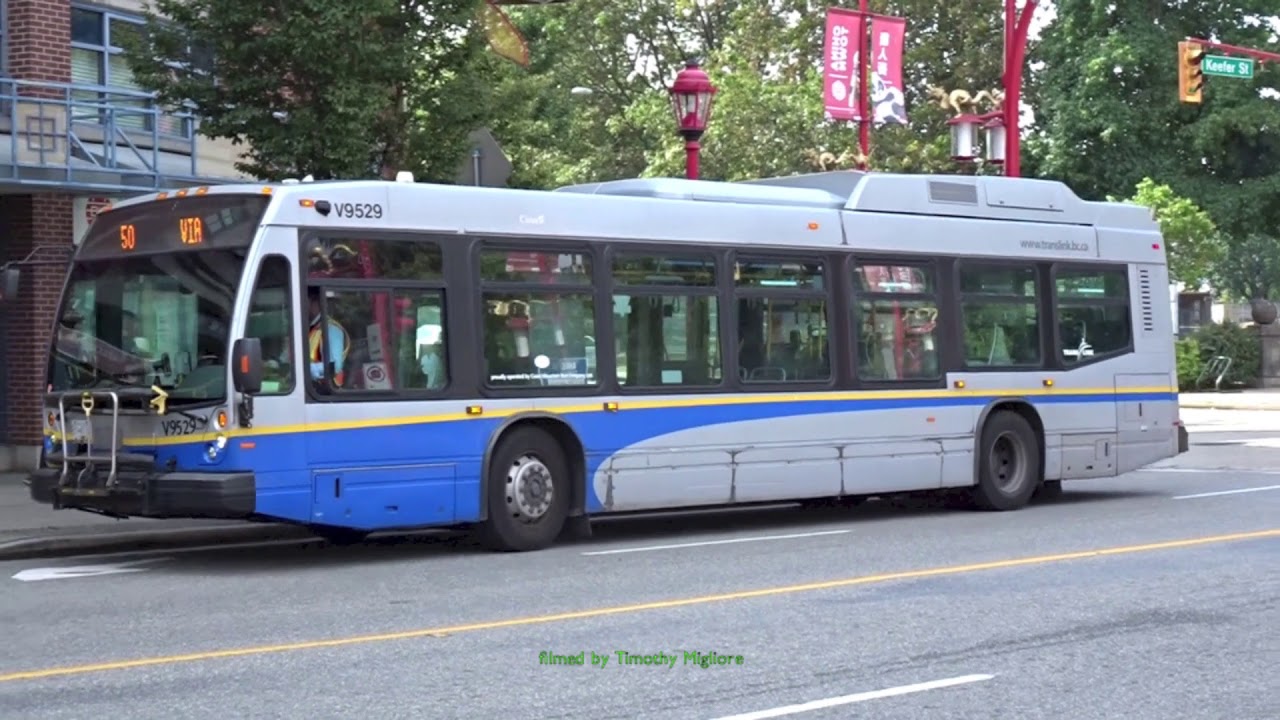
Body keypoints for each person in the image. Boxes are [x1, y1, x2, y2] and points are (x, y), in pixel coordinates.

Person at [308, 287, 350, 388]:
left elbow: (335, 366)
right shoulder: (312, 328)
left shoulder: (331, 329)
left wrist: (305, 369)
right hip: (313, 387)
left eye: (305, 302)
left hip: (327, 391)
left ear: (315, 304)